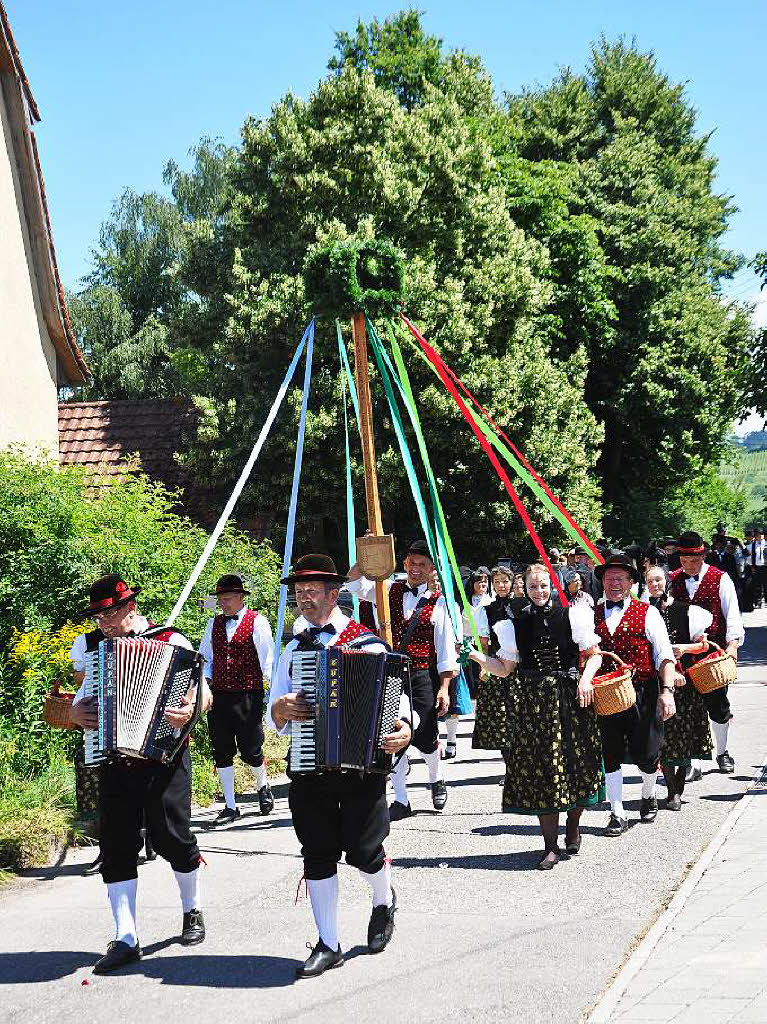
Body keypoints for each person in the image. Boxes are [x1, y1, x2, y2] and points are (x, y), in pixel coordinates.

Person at [266, 554, 414, 978]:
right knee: (317, 853)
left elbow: (401, 707)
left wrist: (404, 729)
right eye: (299, 593)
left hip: (361, 770)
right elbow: (272, 714)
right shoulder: (294, 650)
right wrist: (279, 709)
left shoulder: (368, 646)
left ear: (335, 595)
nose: (304, 600)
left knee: (364, 852)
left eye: (312, 592)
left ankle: (383, 899)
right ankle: (328, 942)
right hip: (309, 767)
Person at [68, 575, 211, 974]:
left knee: (172, 836)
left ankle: (192, 909)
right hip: (115, 758)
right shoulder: (97, 651)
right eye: (99, 617)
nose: (104, 623)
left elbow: (205, 693)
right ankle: (126, 936)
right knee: (116, 843)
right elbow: (81, 707)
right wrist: (76, 715)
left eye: (110, 613)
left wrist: (191, 710)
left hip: (163, 756)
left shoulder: (172, 640)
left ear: (130, 607)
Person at [467, 563, 604, 869]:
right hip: (533, 704)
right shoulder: (514, 623)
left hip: (570, 699)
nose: (539, 591)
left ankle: (573, 824)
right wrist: (478, 658)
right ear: (524, 589)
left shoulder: (573, 614)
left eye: (543, 586)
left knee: (576, 764)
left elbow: (594, 656)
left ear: (552, 586)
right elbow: (504, 669)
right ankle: (550, 846)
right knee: (543, 770)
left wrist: (584, 679)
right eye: (532, 587)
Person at [347, 539, 460, 819]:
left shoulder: (441, 602)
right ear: (404, 564)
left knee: (425, 735)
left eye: (422, 564)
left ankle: (436, 778)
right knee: (391, 733)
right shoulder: (386, 591)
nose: (415, 569)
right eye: (411, 563)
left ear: (432, 568)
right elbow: (353, 583)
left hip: (421, 675)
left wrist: (445, 687)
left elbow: (445, 648)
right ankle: (401, 798)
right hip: (389, 673)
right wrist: (369, 554)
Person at [593, 554, 676, 836]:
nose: (614, 583)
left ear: (630, 582)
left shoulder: (648, 613)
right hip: (606, 694)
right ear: (602, 582)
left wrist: (666, 692)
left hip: (643, 692)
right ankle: (616, 812)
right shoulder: (591, 614)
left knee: (647, 752)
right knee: (610, 752)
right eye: (609, 578)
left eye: (620, 578)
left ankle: (648, 792)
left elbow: (664, 656)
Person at [198, 574, 274, 825]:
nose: (224, 603)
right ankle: (230, 806)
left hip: (248, 694)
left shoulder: (258, 622)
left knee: (251, 748)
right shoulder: (213, 625)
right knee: (221, 749)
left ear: (241, 597)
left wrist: (272, 692)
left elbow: (267, 660)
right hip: (219, 695)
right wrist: (206, 684)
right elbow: (206, 659)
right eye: (221, 599)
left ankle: (262, 785)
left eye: (229, 598)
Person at [670, 531, 745, 774]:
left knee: (718, 705)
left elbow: (732, 613)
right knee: (687, 708)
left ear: (703, 556)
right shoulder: (672, 580)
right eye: (684, 561)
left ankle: (722, 751)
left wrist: (732, 645)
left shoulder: (720, 578)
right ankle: (693, 761)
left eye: (694, 560)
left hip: (712, 654)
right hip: (682, 653)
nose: (689, 566)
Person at [642, 566, 713, 810]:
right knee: (662, 738)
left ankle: (676, 791)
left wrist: (683, 648)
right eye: (650, 581)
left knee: (683, 738)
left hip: (685, 685)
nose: (655, 584)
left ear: (667, 581)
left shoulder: (687, 611)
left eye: (658, 580)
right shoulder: (643, 611)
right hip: (656, 682)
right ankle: (670, 789)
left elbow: (704, 646)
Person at [472, 565, 514, 760]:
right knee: (503, 721)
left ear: (512, 582)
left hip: (522, 668)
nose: (501, 585)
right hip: (499, 666)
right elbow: (483, 642)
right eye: (496, 582)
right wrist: (484, 665)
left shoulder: (522, 605)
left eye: (504, 581)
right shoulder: (487, 610)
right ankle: (509, 766)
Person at [746, 527, 766, 608]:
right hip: (757, 566)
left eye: (761, 534)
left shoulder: (766, 543)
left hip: (765, 566)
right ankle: (758, 602)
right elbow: (750, 557)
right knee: (757, 585)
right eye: (758, 534)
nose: (759, 536)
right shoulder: (752, 545)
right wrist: (752, 566)